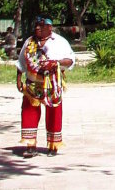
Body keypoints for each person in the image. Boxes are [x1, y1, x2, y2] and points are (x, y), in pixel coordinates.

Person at [16, 16, 75, 158]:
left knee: (54, 113)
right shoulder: (29, 42)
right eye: (36, 25)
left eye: (41, 26)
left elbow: (70, 60)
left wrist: (57, 62)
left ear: (50, 27)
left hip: (52, 83)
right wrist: (18, 79)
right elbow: (21, 62)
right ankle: (31, 146)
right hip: (32, 84)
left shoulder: (60, 42)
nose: (37, 28)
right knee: (29, 112)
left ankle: (53, 145)